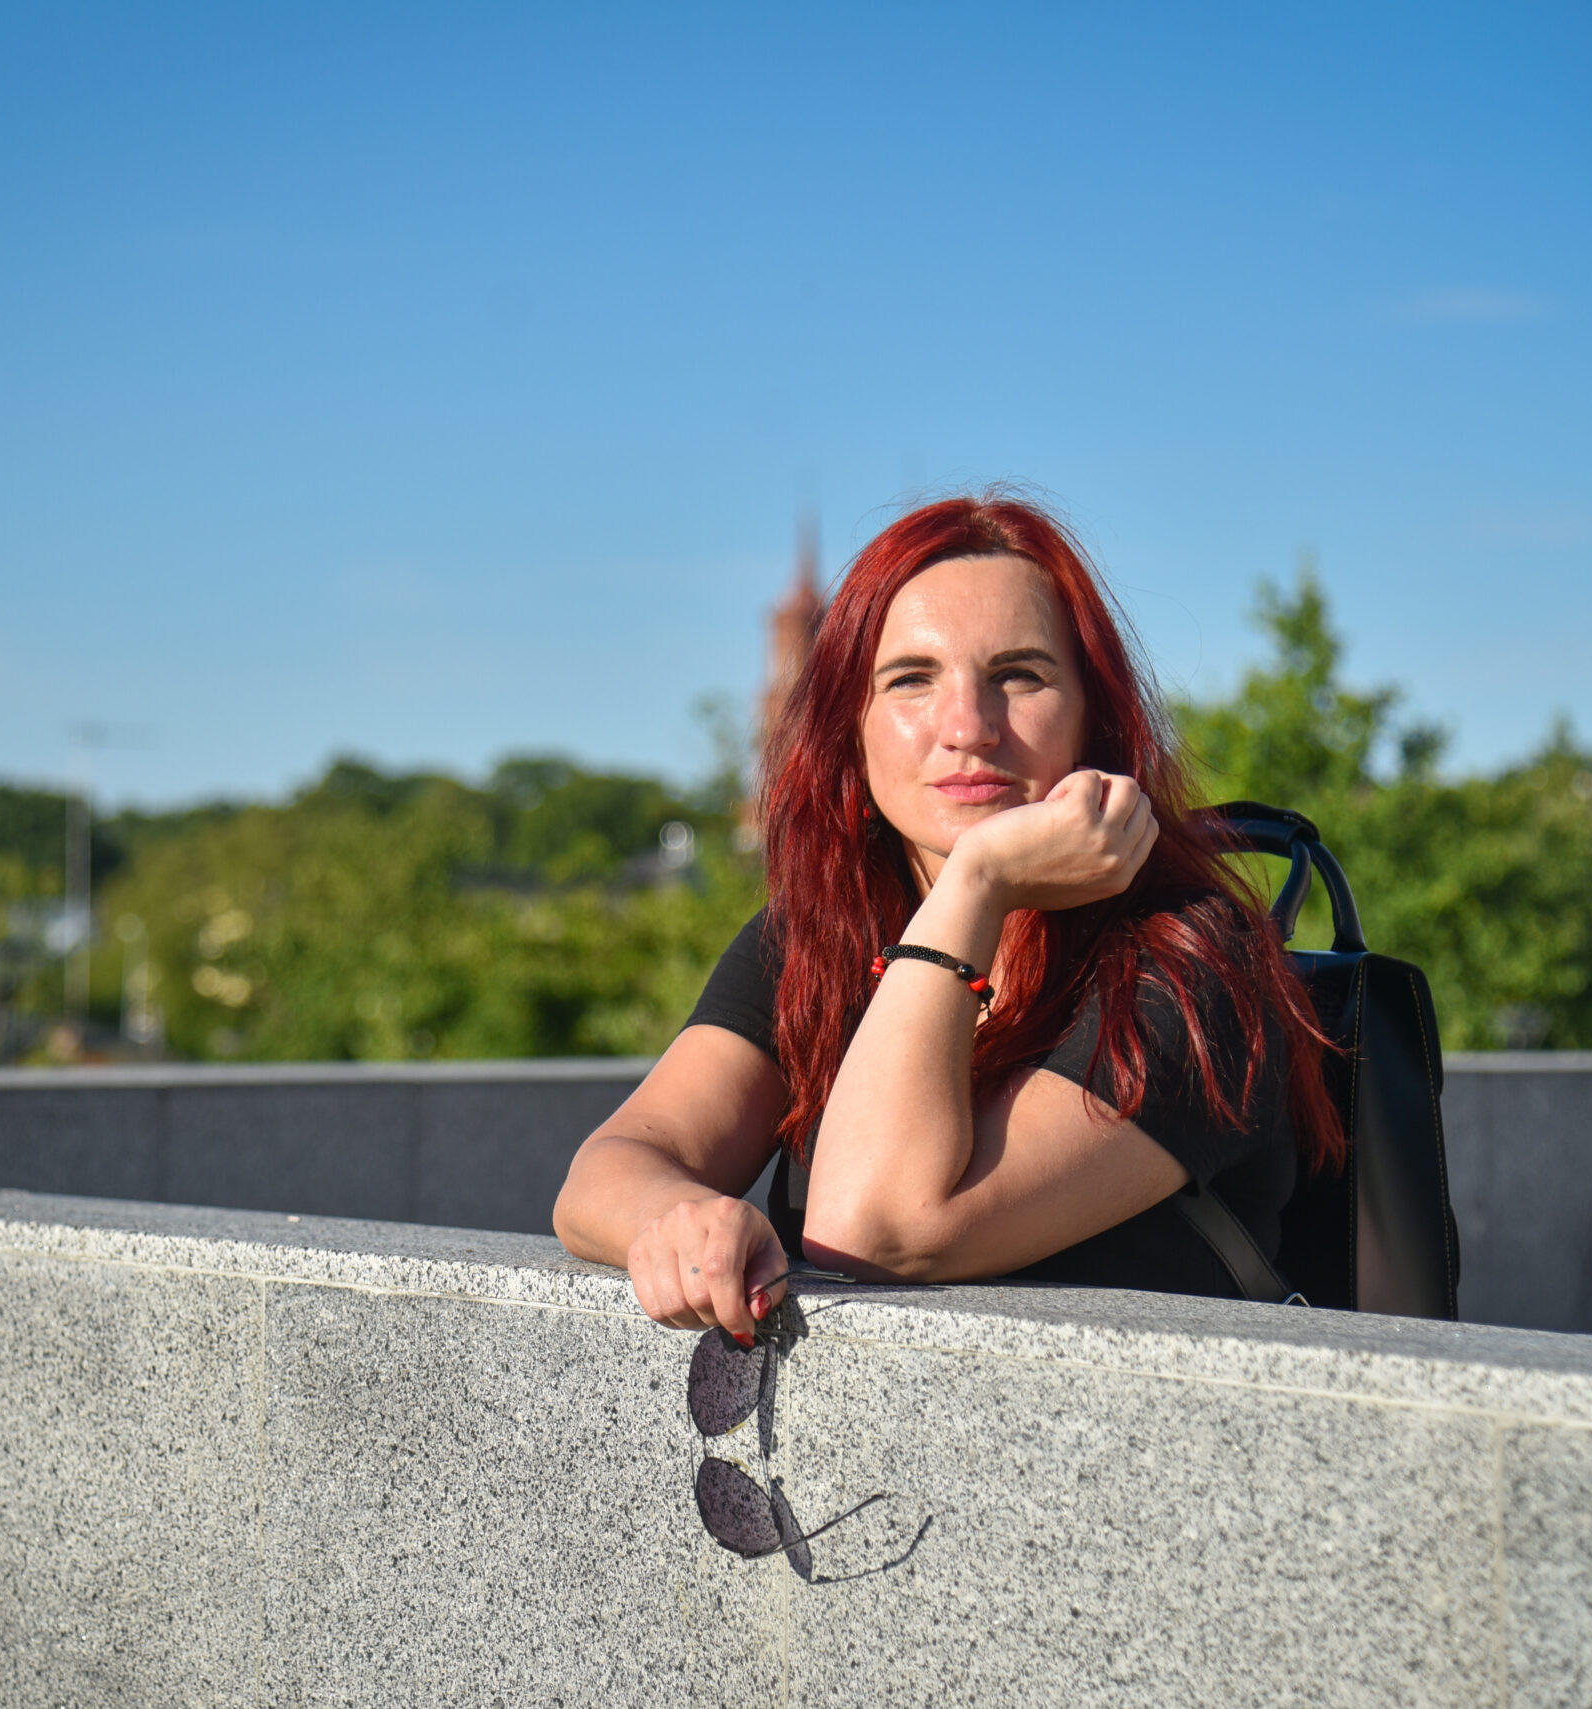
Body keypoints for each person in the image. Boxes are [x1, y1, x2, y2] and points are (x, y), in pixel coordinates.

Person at [552, 494, 1341, 1346]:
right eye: (911, 679)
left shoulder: (1190, 964)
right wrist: (680, 1219)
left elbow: (879, 1229)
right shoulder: (820, 935)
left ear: (1095, 715)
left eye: (1020, 675)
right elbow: (602, 1176)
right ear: (850, 727)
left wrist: (976, 879)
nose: (967, 727)